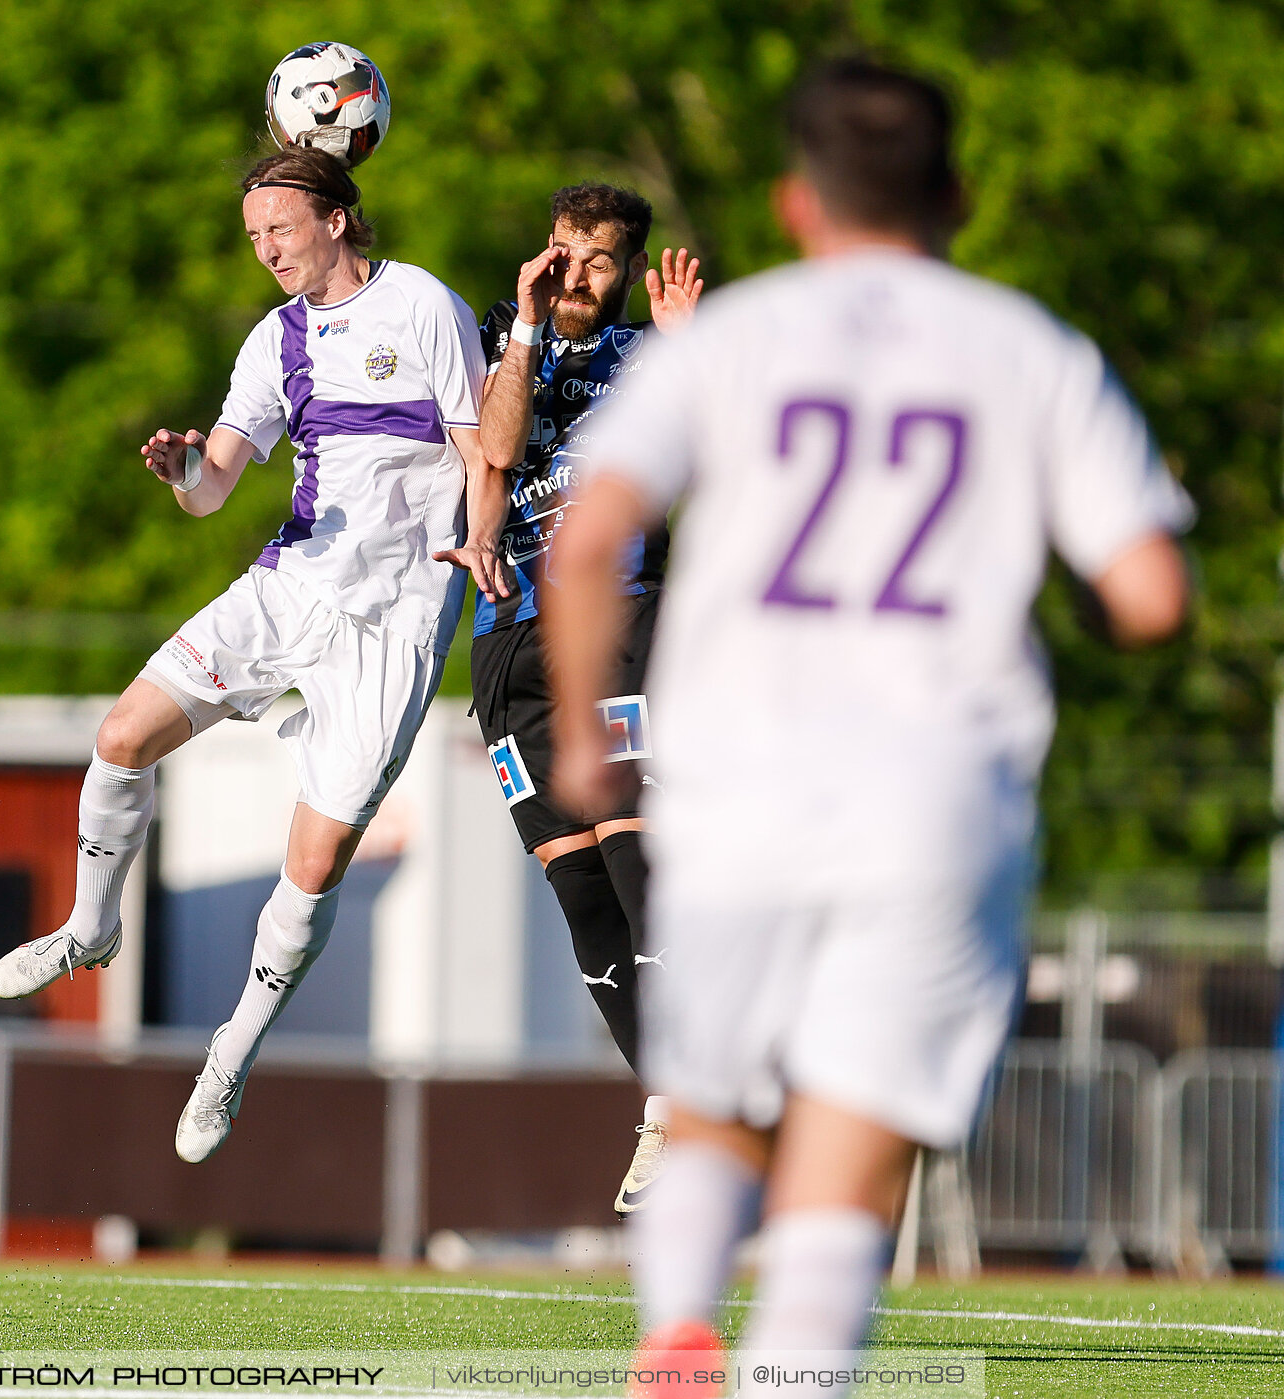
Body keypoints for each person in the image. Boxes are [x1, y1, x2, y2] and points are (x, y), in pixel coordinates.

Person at [543, 59, 1191, 1396]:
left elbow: (588, 536)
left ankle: (674, 1329)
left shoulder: (734, 336)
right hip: (935, 794)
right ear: (956, 191)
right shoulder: (1029, 347)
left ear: (793, 201)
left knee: (714, 1110)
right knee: (849, 1147)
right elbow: (1151, 591)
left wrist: (575, 735)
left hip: (738, 781)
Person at [0, 147, 506, 1165]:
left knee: (312, 866)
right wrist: (184, 473)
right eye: (253, 237)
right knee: (122, 735)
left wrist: (480, 540)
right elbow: (215, 488)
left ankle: (226, 1061)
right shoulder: (277, 342)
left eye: (279, 229)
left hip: (393, 624)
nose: (265, 251)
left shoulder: (425, 308)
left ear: (339, 217)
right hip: (288, 589)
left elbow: (479, 448)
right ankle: (91, 926)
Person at [469, 183, 701, 1214]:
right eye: (561, 249)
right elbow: (498, 448)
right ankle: (666, 1103)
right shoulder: (490, 335)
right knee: (576, 887)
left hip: (611, 616)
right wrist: (523, 328)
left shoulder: (651, 355)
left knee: (632, 845)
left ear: (625, 269)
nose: (573, 273)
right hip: (505, 640)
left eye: (597, 260)